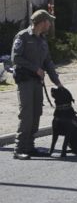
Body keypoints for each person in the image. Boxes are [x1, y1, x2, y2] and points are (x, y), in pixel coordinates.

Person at [11, 9, 63, 160]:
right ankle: (19, 148)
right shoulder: (23, 36)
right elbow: (16, 58)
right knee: (26, 114)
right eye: (49, 21)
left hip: (37, 82)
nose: (50, 24)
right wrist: (36, 69)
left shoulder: (42, 40)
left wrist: (57, 82)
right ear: (42, 22)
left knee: (36, 113)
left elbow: (48, 62)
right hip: (25, 81)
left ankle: (30, 146)